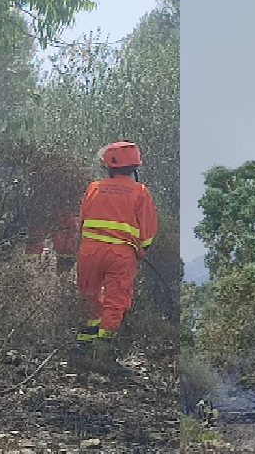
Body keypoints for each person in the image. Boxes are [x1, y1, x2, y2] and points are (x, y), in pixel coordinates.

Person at [73, 141, 157, 376]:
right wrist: (141, 251)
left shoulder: (93, 187)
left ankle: (82, 347)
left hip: (89, 251)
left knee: (88, 295)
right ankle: (104, 354)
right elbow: (148, 231)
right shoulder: (140, 192)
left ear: (108, 166)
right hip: (121, 254)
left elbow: (81, 222)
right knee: (115, 302)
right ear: (134, 167)